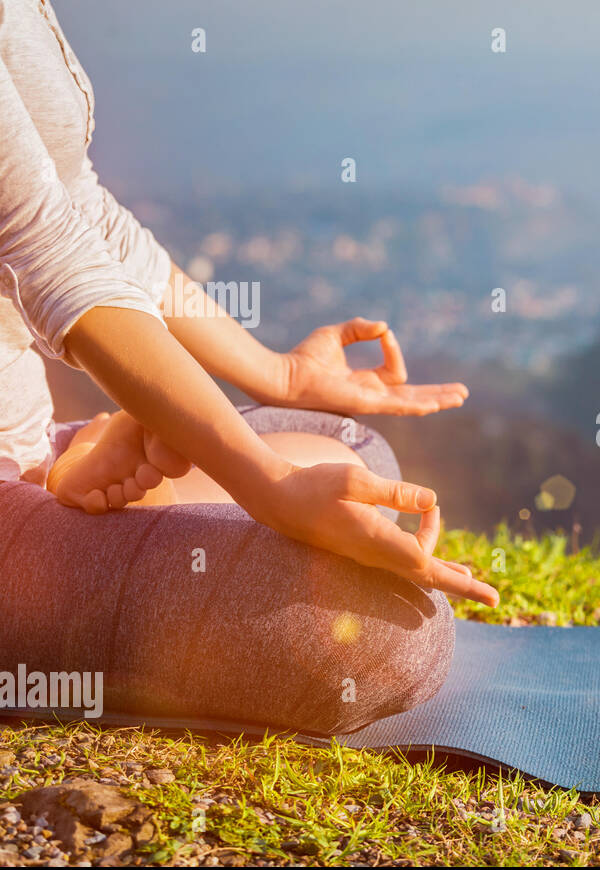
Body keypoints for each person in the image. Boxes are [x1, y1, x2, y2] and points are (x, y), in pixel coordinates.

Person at [0, 0, 497, 736]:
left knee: (348, 451)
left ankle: (56, 493)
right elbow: (47, 254)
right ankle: (58, 515)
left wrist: (279, 379)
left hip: (24, 445)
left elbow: (79, 211)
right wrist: (268, 487)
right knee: (384, 638)